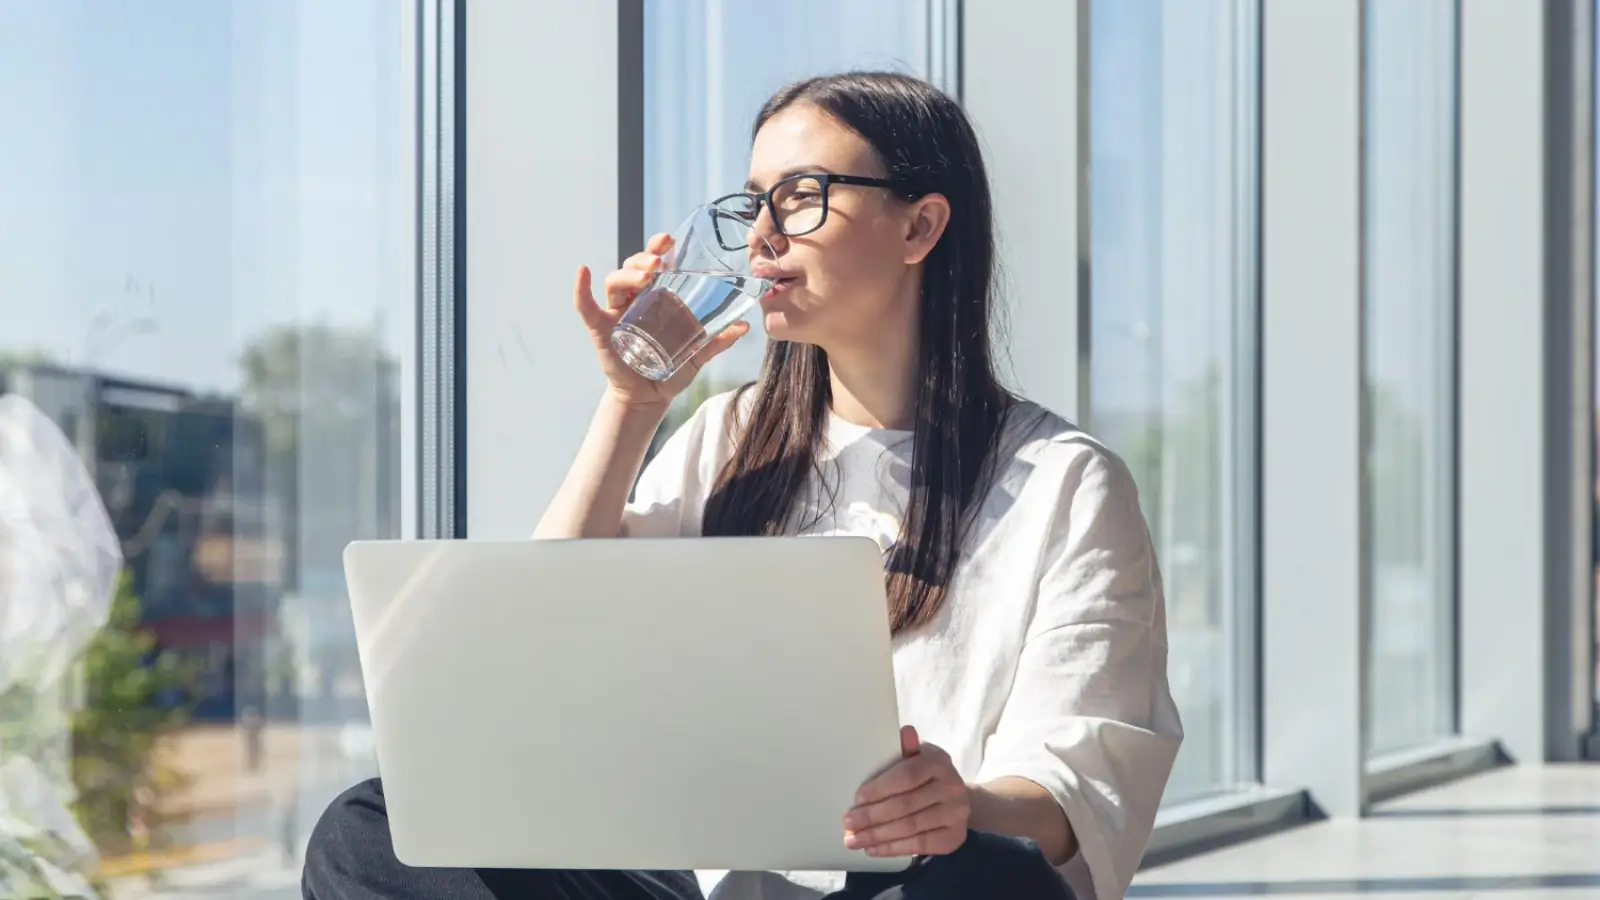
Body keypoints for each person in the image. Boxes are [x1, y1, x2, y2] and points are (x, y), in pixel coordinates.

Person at [303, 71, 1181, 900]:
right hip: (708, 885)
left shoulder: (1066, 485)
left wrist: (958, 808)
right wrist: (633, 402)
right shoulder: (730, 437)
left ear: (920, 228)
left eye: (800, 196)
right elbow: (547, 631)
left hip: (907, 882)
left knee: (985, 879)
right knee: (369, 828)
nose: (760, 237)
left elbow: (1081, 784)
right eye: (752, 202)